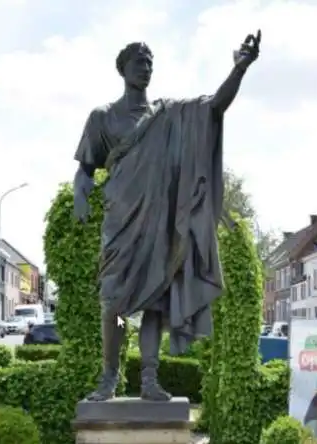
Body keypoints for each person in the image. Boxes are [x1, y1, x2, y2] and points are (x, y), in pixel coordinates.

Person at [72, 32, 261, 402]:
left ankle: (149, 380)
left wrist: (240, 68)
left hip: (159, 225)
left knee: (155, 302)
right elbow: (85, 167)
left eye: (150, 64)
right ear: (123, 69)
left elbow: (213, 107)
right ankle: (109, 379)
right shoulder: (102, 118)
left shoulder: (168, 115)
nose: (146, 69)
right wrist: (81, 189)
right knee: (115, 305)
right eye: (139, 63)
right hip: (121, 221)